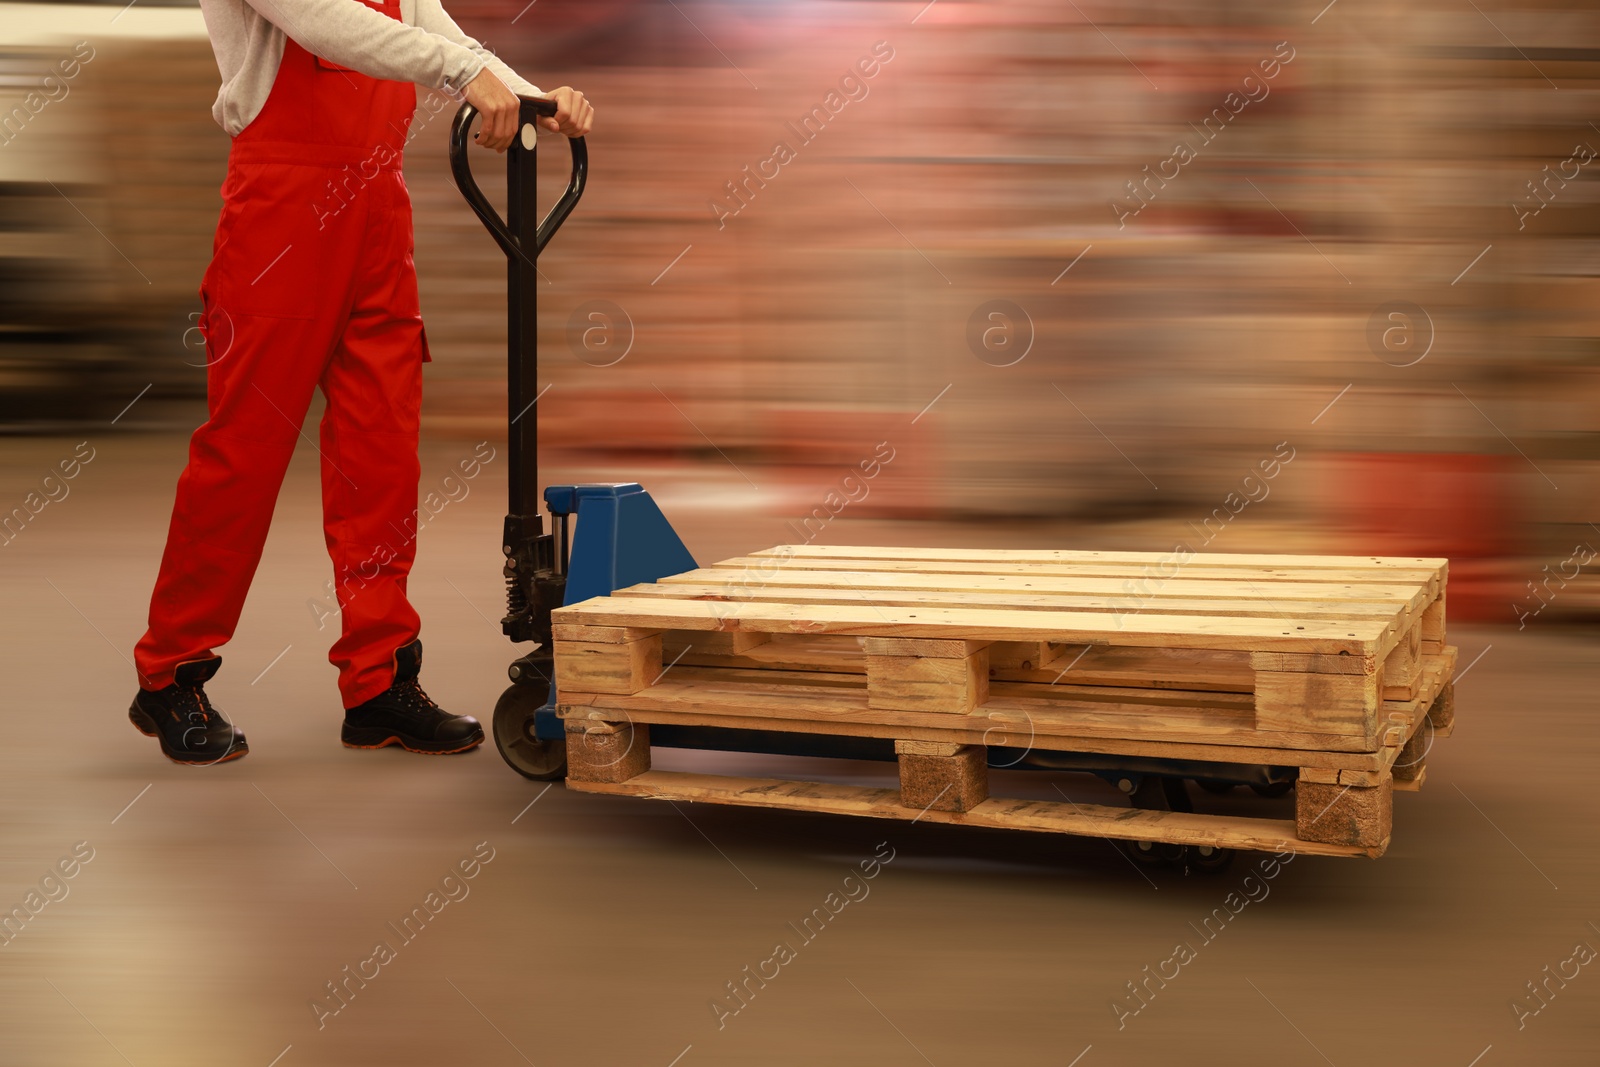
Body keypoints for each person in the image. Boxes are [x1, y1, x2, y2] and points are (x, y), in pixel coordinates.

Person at [127, 0, 593, 765]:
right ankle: (171, 672)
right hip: (281, 214)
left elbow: (439, 32)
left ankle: (378, 682)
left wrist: (533, 95)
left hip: (377, 211)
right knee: (244, 453)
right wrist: (469, 74)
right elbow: (320, 20)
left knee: (380, 451)